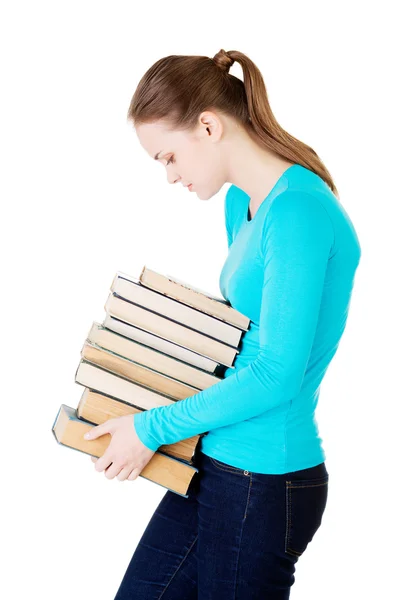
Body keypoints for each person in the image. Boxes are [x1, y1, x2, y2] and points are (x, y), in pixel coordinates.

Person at [85, 48, 362, 599]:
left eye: (168, 157)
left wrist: (150, 428)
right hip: (212, 462)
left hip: (262, 482)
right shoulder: (244, 203)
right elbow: (238, 340)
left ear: (208, 126)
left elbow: (276, 373)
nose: (170, 176)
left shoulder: (299, 212)